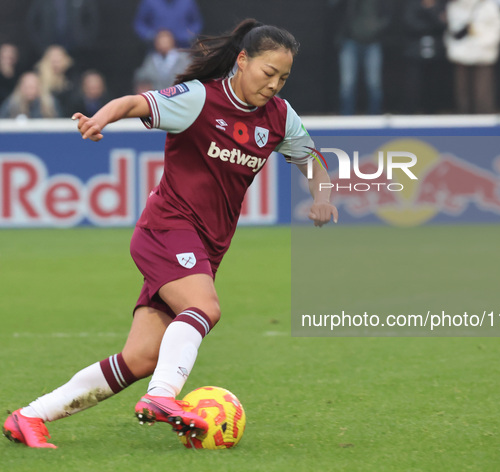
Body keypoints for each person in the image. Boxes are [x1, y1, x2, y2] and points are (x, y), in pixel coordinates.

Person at [3, 18, 338, 449]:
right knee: (205, 307)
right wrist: (99, 119)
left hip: (206, 247)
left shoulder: (279, 117)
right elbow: (132, 103)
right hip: (167, 228)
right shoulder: (199, 98)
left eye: (284, 77)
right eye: (268, 72)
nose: (275, 84)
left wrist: (323, 196)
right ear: (242, 61)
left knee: (139, 358)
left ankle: (29, 417)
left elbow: (311, 161)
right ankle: (162, 397)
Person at [331, 0, 393, 115]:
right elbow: (333, 5)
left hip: (373, 42)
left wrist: (377, 26)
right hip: (349, 41)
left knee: (374, 83)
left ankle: (375, 118)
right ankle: (346, 119)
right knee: (347, 84)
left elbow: (388, 14)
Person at [444, 0, 500, 114]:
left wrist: (484, 43)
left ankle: (484, 121)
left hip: (482, 54)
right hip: (461, 54)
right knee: (462, 92)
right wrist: (454, 47)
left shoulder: (487, 6)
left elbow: (498, 27)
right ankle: (464, 120)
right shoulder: (454, 7)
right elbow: (451, 30)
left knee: (482, 91)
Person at [401, 0, 448, 114]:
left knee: (433, 83)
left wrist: (430, 15)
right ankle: (411, 111)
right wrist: (432, 24)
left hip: (436, 52)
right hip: (415, 51)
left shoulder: (441, 7)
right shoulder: (412, 5)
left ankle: (432, 111)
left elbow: (443, 25)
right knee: (414, 83)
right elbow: (410, 23)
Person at [134, 0, 204, 49]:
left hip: (183, 48)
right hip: (156, 51)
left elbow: (197, 23)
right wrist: (153, 36)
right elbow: (140, 24)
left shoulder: (187, 1)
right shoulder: (149, 2)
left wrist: (185, 36)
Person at [35, 45, 77, 117]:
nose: (56, 65)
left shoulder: (72, 80)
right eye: (53, 61)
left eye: (59, 61)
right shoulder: (37, 80)